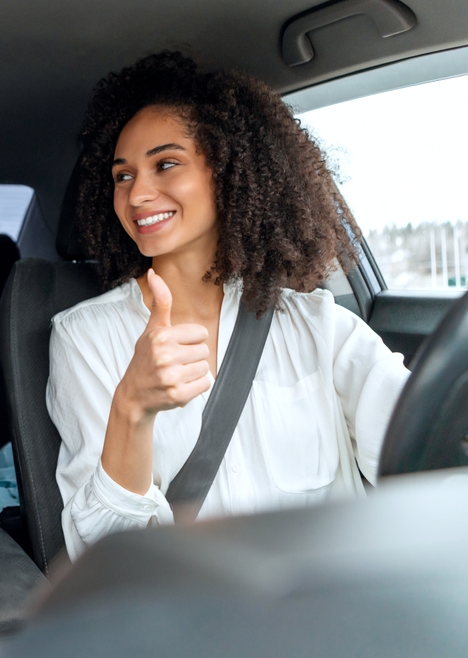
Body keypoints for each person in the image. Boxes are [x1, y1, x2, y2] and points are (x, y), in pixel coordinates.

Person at [48, 52, 410, 560]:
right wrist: (133, 405)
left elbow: (421, 452)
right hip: (195, 624)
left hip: (337, 613)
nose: (137, 194)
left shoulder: (319, 326)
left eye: (165, 164)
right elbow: (103, 555)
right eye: (123, 176)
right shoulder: (84, 337)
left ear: (227, 169)